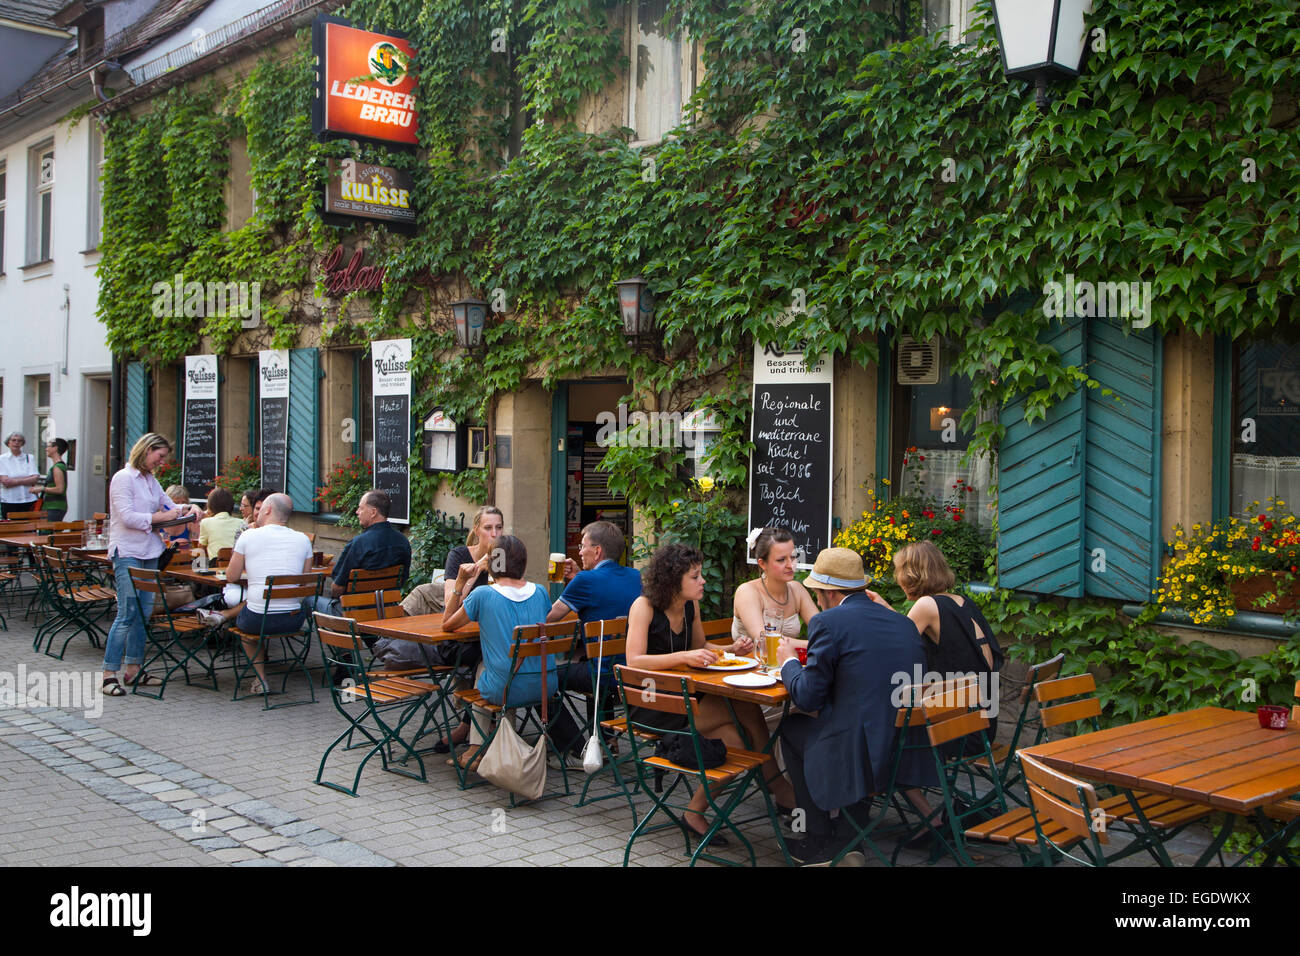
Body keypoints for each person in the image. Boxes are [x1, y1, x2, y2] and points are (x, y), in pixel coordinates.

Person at [626, 543, 796, 842]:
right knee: (743, 709)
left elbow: (701, 647)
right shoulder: (645, 606)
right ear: (672, 579)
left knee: (734, 738)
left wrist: (731, 649)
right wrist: (684, 658)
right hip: (652, 704)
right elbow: (634, 661)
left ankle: (694, 812)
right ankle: (780, 789)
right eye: (695, 576)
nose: (702, 581)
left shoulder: (690, 606)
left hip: (686, 699)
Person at [774, 547, 927, 865]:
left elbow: (807, 697)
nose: (816, 599)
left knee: (792, 727)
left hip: (860, 752)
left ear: (827, 593)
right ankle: (847, 838)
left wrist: (788, 661)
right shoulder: (902, 623)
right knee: (848, 728)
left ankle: (819, 838)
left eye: (817, 592)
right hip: (904, 749)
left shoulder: (829, 622)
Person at [869, 540, 1003, 748]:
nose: (898, 579)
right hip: (981, 723)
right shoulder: (962, 602)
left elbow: (897, 642)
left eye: (899, 572)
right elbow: (908, 629)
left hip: (958, 731)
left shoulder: (927, 605)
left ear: (911, 575)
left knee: (885, 710)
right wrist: (885, 606)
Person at [443, 535, 558, 771]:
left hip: (504, 689)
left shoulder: (483, 595)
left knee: (487, 667)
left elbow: (448, 624)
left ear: (493, 563)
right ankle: (505, 744)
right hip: (546, 685)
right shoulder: (540, 593)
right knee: (502, 666)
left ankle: (476, 749)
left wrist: (459, 583)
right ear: (523, 563)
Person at [100, 433, 201, 696]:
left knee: (143, 613)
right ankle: (109, 674)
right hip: (129, 551)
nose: (162, 462)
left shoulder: (150, 480)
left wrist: (188, 508)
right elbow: (127, 517)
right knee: (127, 613)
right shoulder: (123, 478)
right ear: (147, 450)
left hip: (150, 551)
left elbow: (170, 506)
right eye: (160, 456)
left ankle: (134, 669)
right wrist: (163, 515)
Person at [545, 520, 643, 754]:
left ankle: (575, 748)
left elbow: (549, 618)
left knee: (542, 679)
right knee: (595, 660)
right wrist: (580, 577)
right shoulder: (635, 576)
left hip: (603, 676)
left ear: (597, 551)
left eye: (582, 546)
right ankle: (607, 741)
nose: (579, 552)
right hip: (632, 673)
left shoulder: (585, 581)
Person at [226, 492, 313, 694]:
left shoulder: (248, 535)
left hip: (257, 619)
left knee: (247, 633)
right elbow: (304, 580)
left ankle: (261, 678)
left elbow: (231, 576)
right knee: (258, 611)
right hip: (293, 619)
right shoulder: (303, 539)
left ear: (267, 510)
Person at [432, 505, 504, 751]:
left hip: (487, 634)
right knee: (489, 658)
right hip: (461, 639)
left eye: (498, 528)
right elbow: (450, 605)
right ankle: (473, 727)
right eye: (488, 528)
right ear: (477, 530)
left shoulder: (504, 555)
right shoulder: (459, 555)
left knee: (495, 657)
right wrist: (476, 571)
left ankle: (471, 728)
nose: (494, 534)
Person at [731, 527, 819, 656]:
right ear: (762, 564)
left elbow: (822, 630)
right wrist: (810, 644)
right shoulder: (748, 592)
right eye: (781, 560)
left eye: (793, 557)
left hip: (785, 667)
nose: (790, 564)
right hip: (748, 670)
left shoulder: (797, 590)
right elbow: (764, 642)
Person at [321, 489, 411, 607]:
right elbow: (402, 579)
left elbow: (337, 587)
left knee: (310, 601)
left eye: (361, 508)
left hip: (354, 612)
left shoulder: (359, 544)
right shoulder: (403, 542)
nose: (357, 512)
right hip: (386, 610)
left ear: (373, 512)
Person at [0, 432, 40, 518]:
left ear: (22, 443)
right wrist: (26, 479)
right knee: (10, 529)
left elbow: (35, 478)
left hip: (29, 499)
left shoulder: (29, 458)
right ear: (8, 443)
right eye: (13, 440)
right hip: (9, 500)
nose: (16, 443)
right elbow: (6, 482)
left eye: (19, 441)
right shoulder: (2, 459)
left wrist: (15, 480)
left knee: (29, 528)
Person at [197, 487, 243, 560]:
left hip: (216, 565)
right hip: (238, 563)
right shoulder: (242, 522)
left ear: (210, 505)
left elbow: (201, 548)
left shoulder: (206, 522)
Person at [32, 437, 70, 522]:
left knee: (47, 532)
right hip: (53, 506)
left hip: (54, 507)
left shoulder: (57, 467)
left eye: (48, 446)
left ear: (55, 448)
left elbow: (60, 489)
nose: (46, 449)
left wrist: (42, 489)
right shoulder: (57, 466)